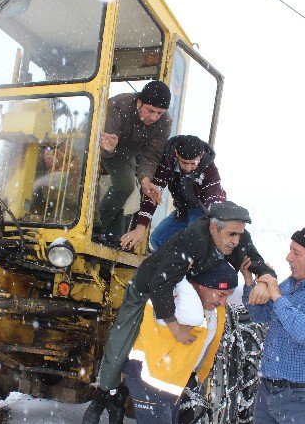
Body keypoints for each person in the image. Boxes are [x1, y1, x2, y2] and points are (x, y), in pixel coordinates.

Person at [82, 201, 275, 424]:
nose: (236, 240)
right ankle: (104, 396)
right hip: (146, 289)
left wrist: (264, 279)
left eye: (239, 235)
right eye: (231, 234)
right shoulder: (192, 239)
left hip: (181, 291)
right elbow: (160, 283)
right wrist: (175, 328)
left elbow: (253, 259)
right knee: (122, 343)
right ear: (213, 228)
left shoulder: (236, 237)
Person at [242, 223, 305, 424]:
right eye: (290, 250)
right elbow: (258, 315)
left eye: (296, 253)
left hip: (301, 399)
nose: (288, 258)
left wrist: (276, 295)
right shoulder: (289, 285)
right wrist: (250, 283)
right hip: (268, 390)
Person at [123, 261, 237, 423]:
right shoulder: (173, 296)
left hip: (172, 382)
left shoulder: (211, 304)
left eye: (228, 295)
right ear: (202, 286)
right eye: (221, 294)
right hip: (150, 379)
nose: (223, 302)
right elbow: (190, 316)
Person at [120, 135, 226, 251]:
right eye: (184, 163)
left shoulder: (209, 170)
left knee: (193, 241)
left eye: (193, 163)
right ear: (176, 155)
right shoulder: (167, 162)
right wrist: (141, 227)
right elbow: (153, 193)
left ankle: (189, 264)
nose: (189, 168)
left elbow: (215, 200)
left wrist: (219, 225)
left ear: (201, 157)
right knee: (158, 239)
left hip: (203, 212)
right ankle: (169, 265)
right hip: (182, 210)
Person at [94, 81, 172, 239]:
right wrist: (109, 149)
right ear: (139, 102)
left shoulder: (164, 123)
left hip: (123, 154)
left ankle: (98, 227)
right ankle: (90, 221)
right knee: (88, 175)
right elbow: (103, 145)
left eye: (159, 113)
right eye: (150, 111)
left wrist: (145, 180)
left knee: (126, 186)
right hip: (94, 145)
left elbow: (151, 155)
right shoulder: (118, 106)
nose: (154, 117)